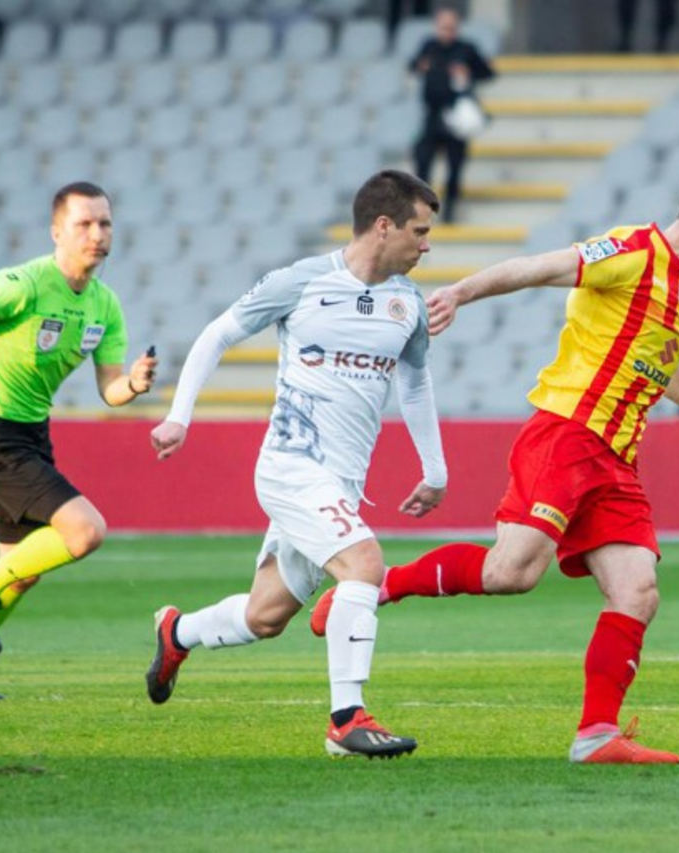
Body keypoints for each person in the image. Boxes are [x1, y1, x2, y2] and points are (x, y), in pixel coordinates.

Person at [310, 159, 679, 764]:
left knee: (637, 591)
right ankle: (381, 585)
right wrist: (462, 292)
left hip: (617, 457)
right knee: (512, 573)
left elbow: (658, 362)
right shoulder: (631, 253)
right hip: (568, 436)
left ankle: (597, 735)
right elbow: (536, 267)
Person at [145, 171, 448, 760]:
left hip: (343, 484)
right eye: (420, 231)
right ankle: (347, 720)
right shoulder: (302, 281)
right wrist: (180, 417)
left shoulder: (407, 303)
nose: (427, 244)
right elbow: (217, 335)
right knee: (365, 564)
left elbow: (415, 384)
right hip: (291, 466)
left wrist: (434, 470)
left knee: (265, 616)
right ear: (383, 226)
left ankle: (176, 631)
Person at [0, 182, 158, 700]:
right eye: (84, 224)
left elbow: (109, 388)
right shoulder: (24, 284)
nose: (97, 234)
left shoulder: (105, 305)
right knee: (85, 532)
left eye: (105, 223)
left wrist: (132, 383)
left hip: (33, 434)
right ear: (57, 232)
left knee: (22, 572)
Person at [410, 6, 495, 224]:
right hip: (433, 114)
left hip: (456, 116)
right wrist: (421, 66)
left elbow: (488, 73)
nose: (446, 32)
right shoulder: (429, 46)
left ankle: (450, 208)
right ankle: (422, 206)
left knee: (455, 164)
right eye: (442, 27)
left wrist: (469, 72)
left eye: (450, 27)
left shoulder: (466, 49)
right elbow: (412, 65)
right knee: (422, 160)